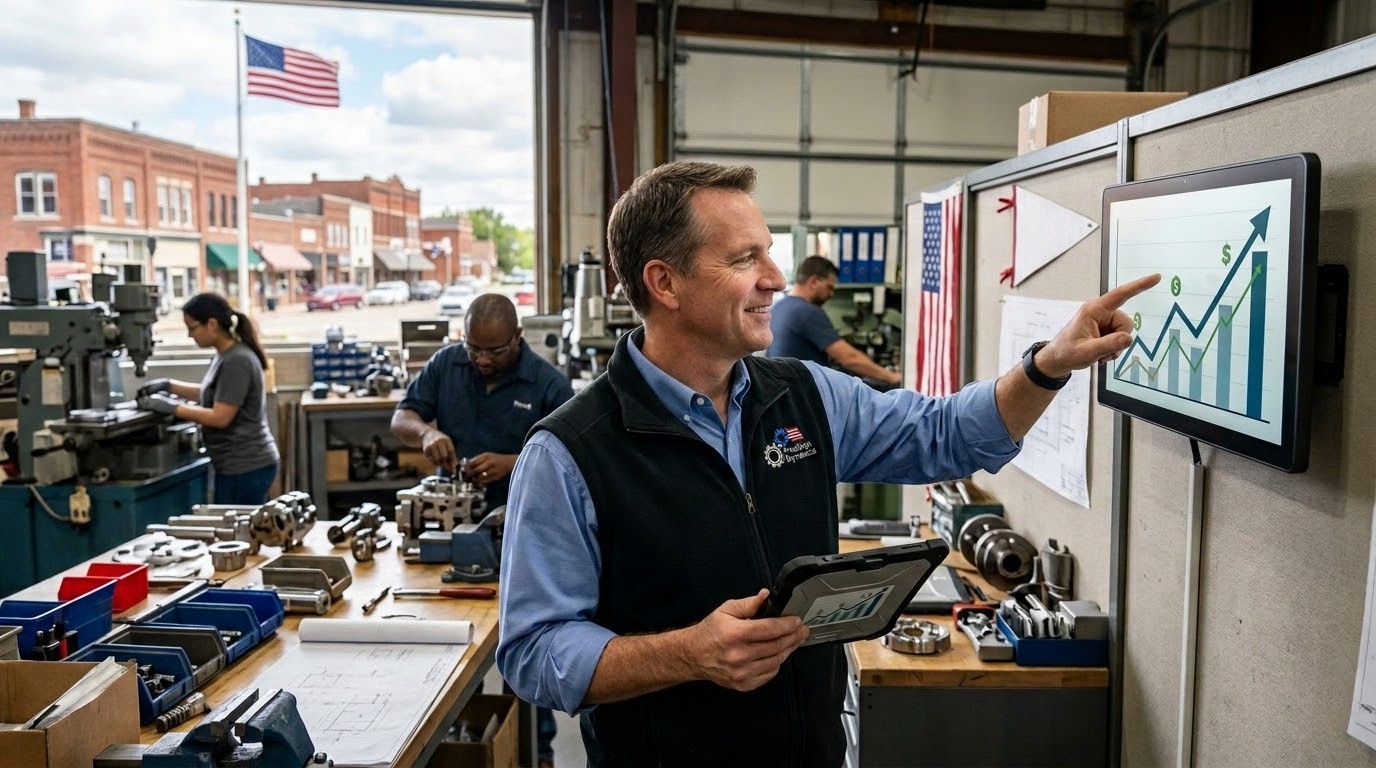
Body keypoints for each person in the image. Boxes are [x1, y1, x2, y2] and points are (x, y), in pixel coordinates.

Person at [496, 160, 1159, 766]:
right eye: (745, 258)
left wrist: (1047, 366)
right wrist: (690, 653)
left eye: (771, 255)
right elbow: (532, 652)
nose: (777, 280)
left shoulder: (804, 395)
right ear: (664, 282)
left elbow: (949, 436)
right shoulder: (569, 453)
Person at [390, 292, 573, 768]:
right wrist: (427, 433)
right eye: (474, 349)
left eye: (493, 351)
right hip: (456, 533)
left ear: (518, 338)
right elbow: (402, 417)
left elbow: (580, 455)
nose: (482, 360)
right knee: (448, 649)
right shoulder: (447, 365)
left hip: (524, 536)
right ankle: (454, 735)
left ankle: (537, 751)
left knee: (523, 649)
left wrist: (514, 463)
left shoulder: (548, 383)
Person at [137, 293, 280, 505]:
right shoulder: (224, 355)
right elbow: (213, 394)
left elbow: (220, 417)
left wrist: (172, 407)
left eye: (193, 328)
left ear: (212, 324)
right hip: (236, 463)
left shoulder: (237, 360)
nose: (189, 335)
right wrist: (169, 385)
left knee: (237, 532)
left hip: (246, 464)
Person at [767, 255, 901, 386]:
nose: (831, 294)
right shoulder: (806, 311)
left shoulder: (779, 307)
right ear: (814, 281)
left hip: (784, 389)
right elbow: (850, 358)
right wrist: (892, 377)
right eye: (829, 287)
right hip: (805, 395)